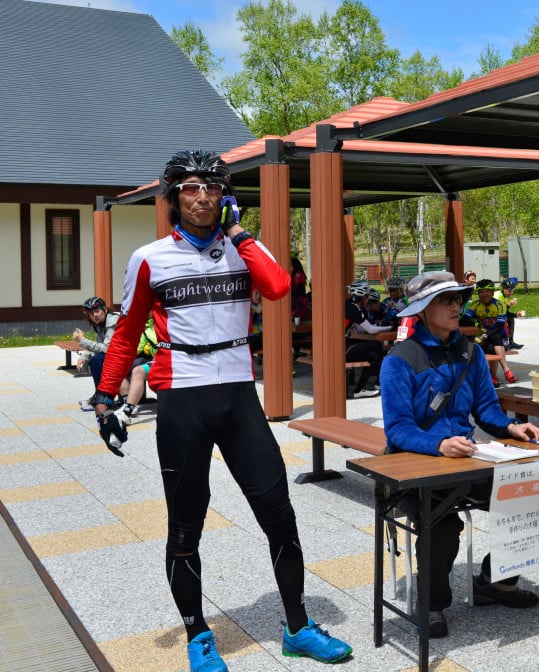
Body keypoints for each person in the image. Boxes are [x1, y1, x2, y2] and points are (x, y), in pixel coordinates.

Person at [91, 150, 351, 671]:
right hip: (183, 398)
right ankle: (198, 635)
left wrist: (239, 234)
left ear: (225, 195)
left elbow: (278, 289)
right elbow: (124, 332)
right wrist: (105, 396)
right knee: (185, 528)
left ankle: (297, 627)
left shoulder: (245, 249)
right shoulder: (149, 258)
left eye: (211, 186)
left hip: (238, 396)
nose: (202, 196)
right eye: (190, 187)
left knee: (279, 513)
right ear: (172, 196)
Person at [381, 271, 539, 639]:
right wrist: (438, 445)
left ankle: (495, 583)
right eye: (446, 300)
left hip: (468, 459)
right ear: (423, 310)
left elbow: (486, 409)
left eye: (458, 299)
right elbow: (398, 430)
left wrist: (510, 428)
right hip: (418, 468)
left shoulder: (469, 352)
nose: (457, 306)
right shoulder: (399, 359)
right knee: (443, 525)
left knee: (529, 496)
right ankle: (432, 604)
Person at [464, 279, 518, 384]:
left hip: (499, 339)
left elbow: (499, 326)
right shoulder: (475, 305)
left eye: (487, 291)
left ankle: (495, 375)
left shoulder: (500, 305)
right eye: (481, 292)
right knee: (490, 346)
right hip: (483, 339)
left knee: (495, 338)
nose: (484, 294)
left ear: (492, 292)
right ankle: (504, 372)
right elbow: (465, 320)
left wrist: (485, 336)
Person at [344, 280, 391, 398]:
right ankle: (365, 387)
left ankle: (372, 385)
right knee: (375, 349)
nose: (368, 299)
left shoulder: (348, 305)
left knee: (374, 351)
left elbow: (361, 329)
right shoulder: (354, 309)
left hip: (341, 346)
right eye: (367, 296)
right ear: (363, 296)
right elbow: (370, 330)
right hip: (342, 349)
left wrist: (380, 327)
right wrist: (390, 327)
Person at [75, 297, 119, 400]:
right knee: (95, 359)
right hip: (116, 351)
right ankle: (100, 393)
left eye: (97, 311)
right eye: (91, 314)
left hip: (133, 351)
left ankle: (103, 395)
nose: (94, 315)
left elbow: (106, 348)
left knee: (97, 360)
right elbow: (99, 344)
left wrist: (82, 340)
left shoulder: (113, 321)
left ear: (105, 310)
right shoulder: (100, 324)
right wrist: (84, 356)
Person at [499, 277, 525, 349]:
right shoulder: (498, 296)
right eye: (509, 290)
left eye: (512, 290)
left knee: (511, 318)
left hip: (498, 315)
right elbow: (500, 312)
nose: (510, 292)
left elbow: (505, 312)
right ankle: (505, 342)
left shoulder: (505, 296)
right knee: (505, 319)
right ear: (503, 288)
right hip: (490, 316)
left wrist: (515, 314)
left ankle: (511, 342)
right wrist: (508, 305)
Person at [289, 255, 310, 321]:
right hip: (299, 299)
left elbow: (300, 288)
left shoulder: (297, 274)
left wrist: (291, 292)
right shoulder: (297, 273)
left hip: (298, 298)